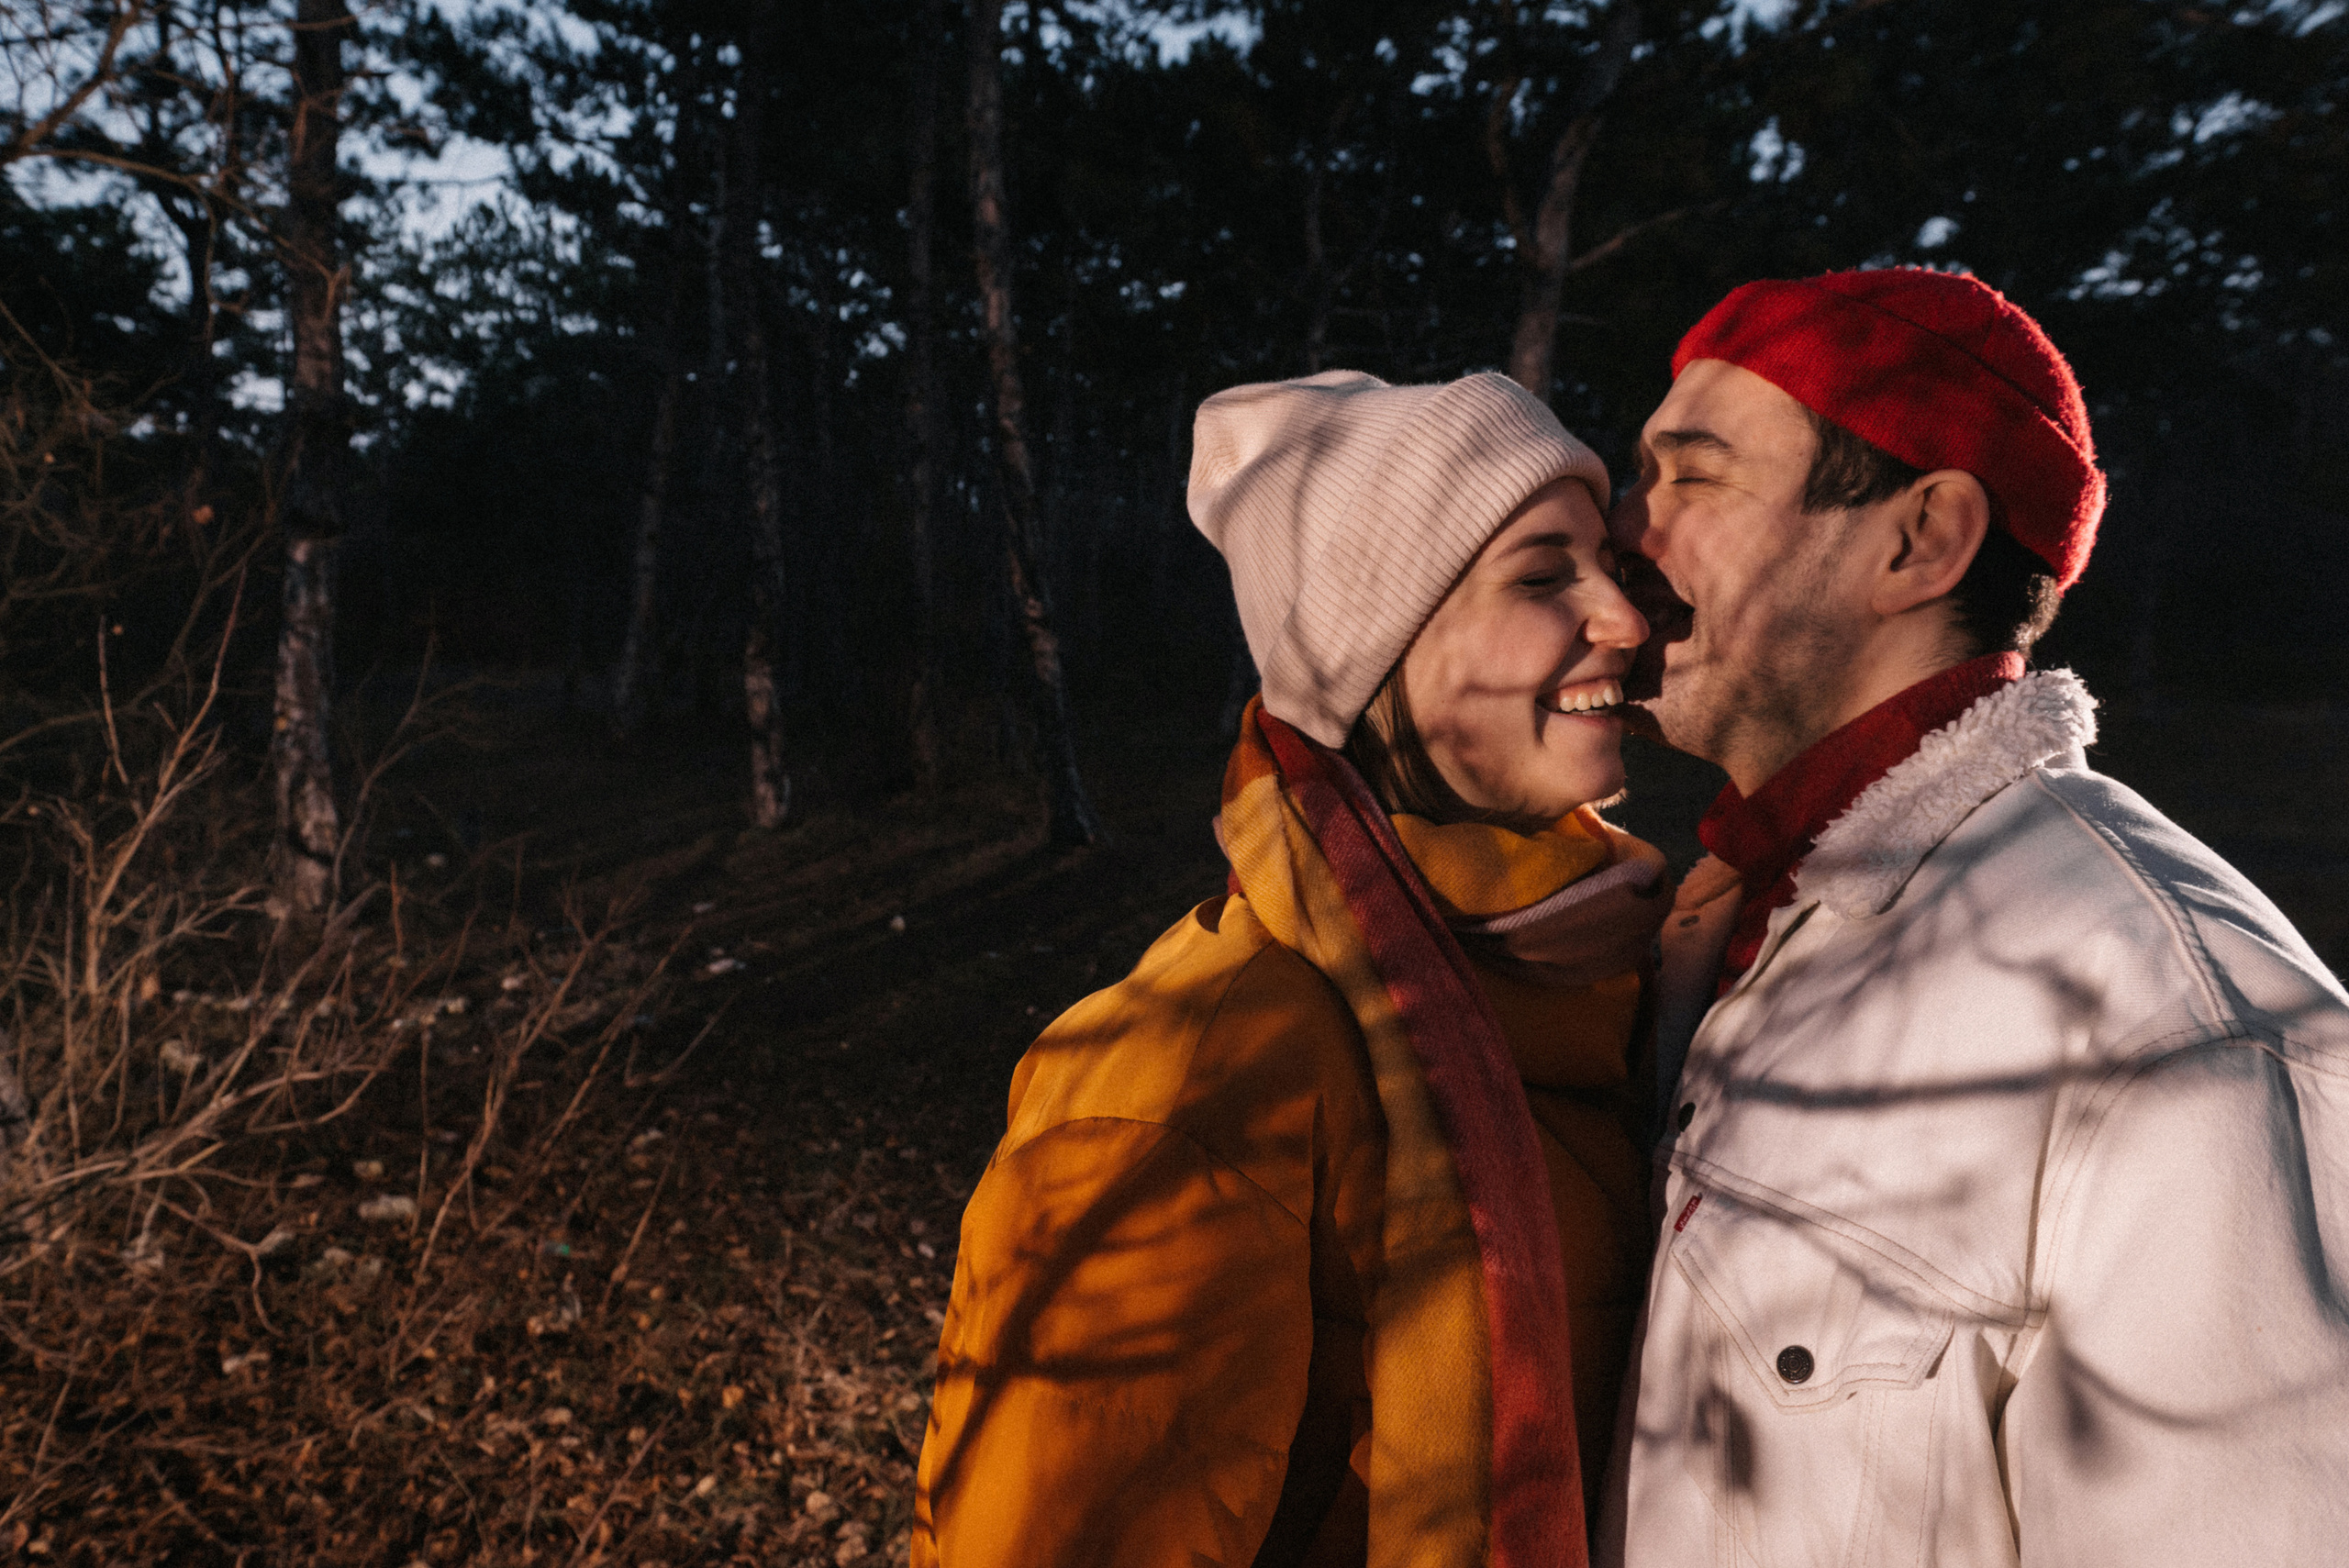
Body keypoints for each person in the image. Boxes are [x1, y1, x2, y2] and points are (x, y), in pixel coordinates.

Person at [1597, 267, 2349, 1566]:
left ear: (1921, 542)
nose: (1625, 531)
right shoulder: (1704, 932)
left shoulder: (2170, 1031)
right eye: (1641, 475)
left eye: (1693, 478)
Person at [914, 368, 1672, 1568]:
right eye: (1542, 577)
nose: (1626, 620)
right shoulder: (1205, 1061)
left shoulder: (1614, 994)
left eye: (1609, 567)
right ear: (1379, 651)